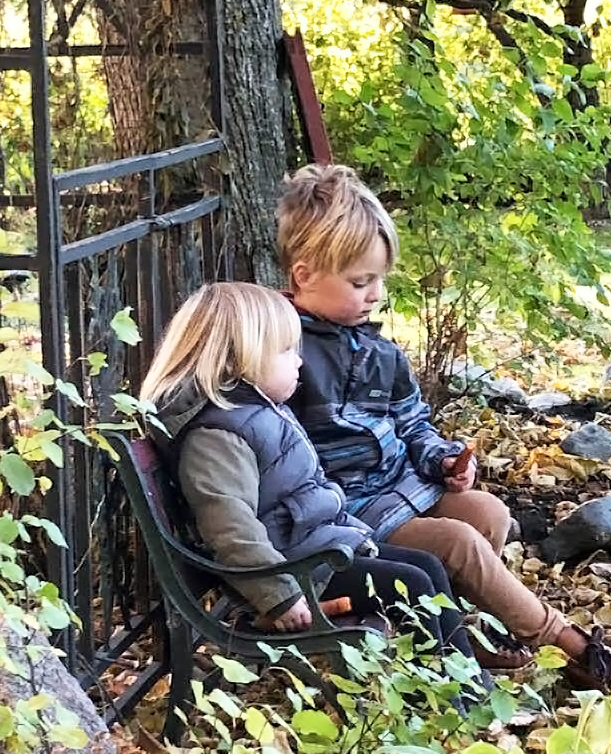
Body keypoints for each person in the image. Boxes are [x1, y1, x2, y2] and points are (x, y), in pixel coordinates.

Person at [277, 164, 611, 695]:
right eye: (360, 282)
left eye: (380, 280)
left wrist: (443, 459)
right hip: (343, 517)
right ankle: (572, 649)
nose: (374, 294)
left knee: (487, 511)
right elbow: (279, 453)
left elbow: (414, 424)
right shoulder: (281, 350)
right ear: (303, 276)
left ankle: (458, 629)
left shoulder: (379, 351)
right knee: (458, 542)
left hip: (399, 492)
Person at [139, 282, 480, 674]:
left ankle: (464, 685)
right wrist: (279, 597)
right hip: (293, 571)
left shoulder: (253, 411)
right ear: (241, 359)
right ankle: (445, 698)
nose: (299, 362)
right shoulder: (217, 435)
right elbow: (231, 529)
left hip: (312, 551)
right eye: (287, 351)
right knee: (413, 585)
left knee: (427, 568)